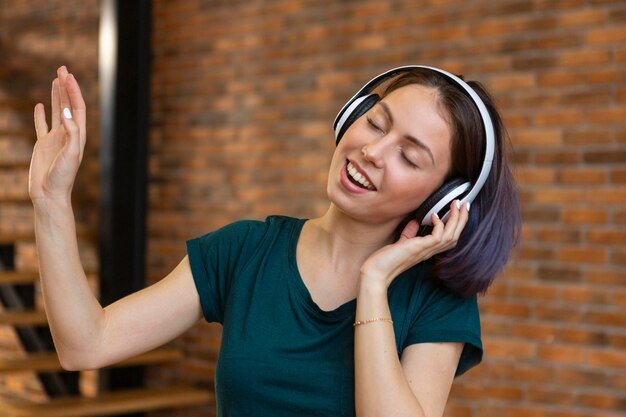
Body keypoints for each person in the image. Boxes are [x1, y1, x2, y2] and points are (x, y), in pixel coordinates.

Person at [30, 64, 520, 417]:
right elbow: (84, 345)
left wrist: (374, 283)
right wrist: (51, 202)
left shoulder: (438, 302)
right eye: (375, 122)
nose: (371, 150)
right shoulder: (244, 251)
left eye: (409, 158)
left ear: (441, 199)